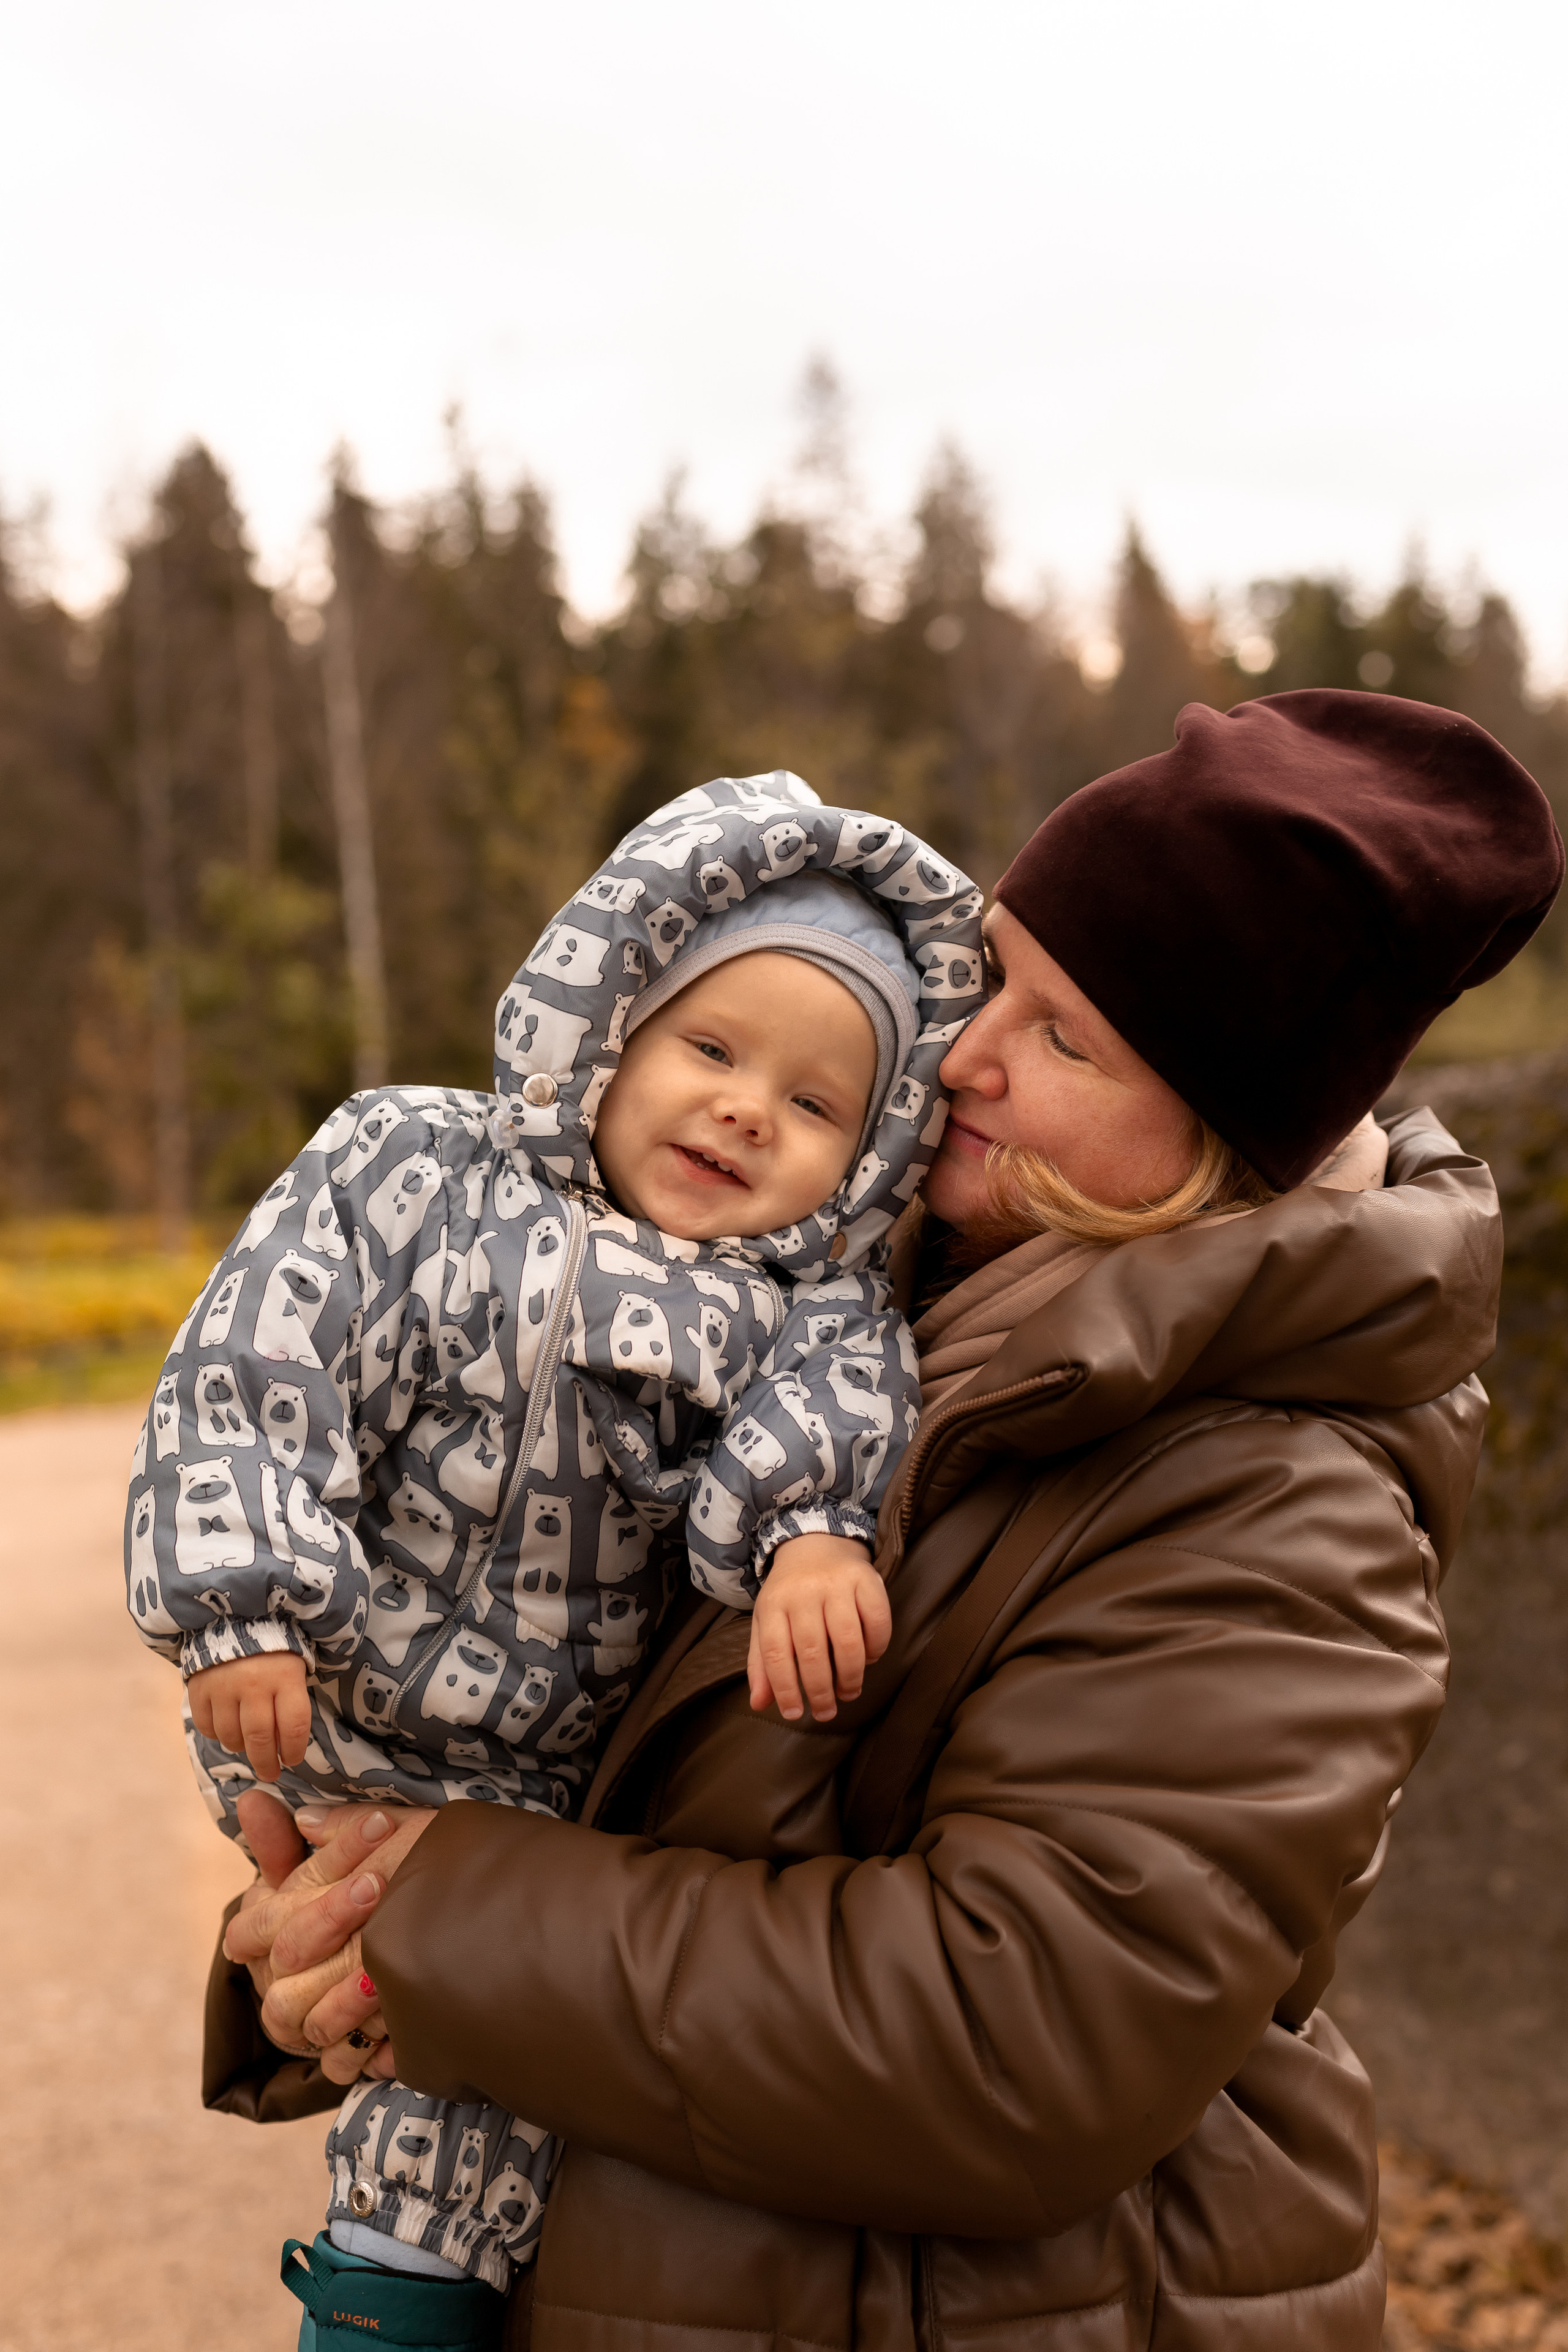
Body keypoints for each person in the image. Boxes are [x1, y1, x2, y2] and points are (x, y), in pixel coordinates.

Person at [212, 692, 1561, 2352]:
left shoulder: (1279, 1499)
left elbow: (1019, 2033)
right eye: (992, 973)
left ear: (1231, 1138)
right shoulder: (870, 1288)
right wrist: (338, 1910)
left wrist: (443, 1922)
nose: (963, 1052)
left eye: (1068, 1039)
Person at [124, 776, 983, 2318]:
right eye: (709, 1050)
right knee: (338, 1938)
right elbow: (257, 1358)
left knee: (463, 2116)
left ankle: (387, 2302)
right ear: (607, 1023)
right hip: (318, 1692)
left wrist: (809, 1543)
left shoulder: (809, 1311)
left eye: (812, 1106)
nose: (742, 1110)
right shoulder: (413, 1167)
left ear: (866, 1164)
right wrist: (239, 1594)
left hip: (534, 1788)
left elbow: (829, 1426)